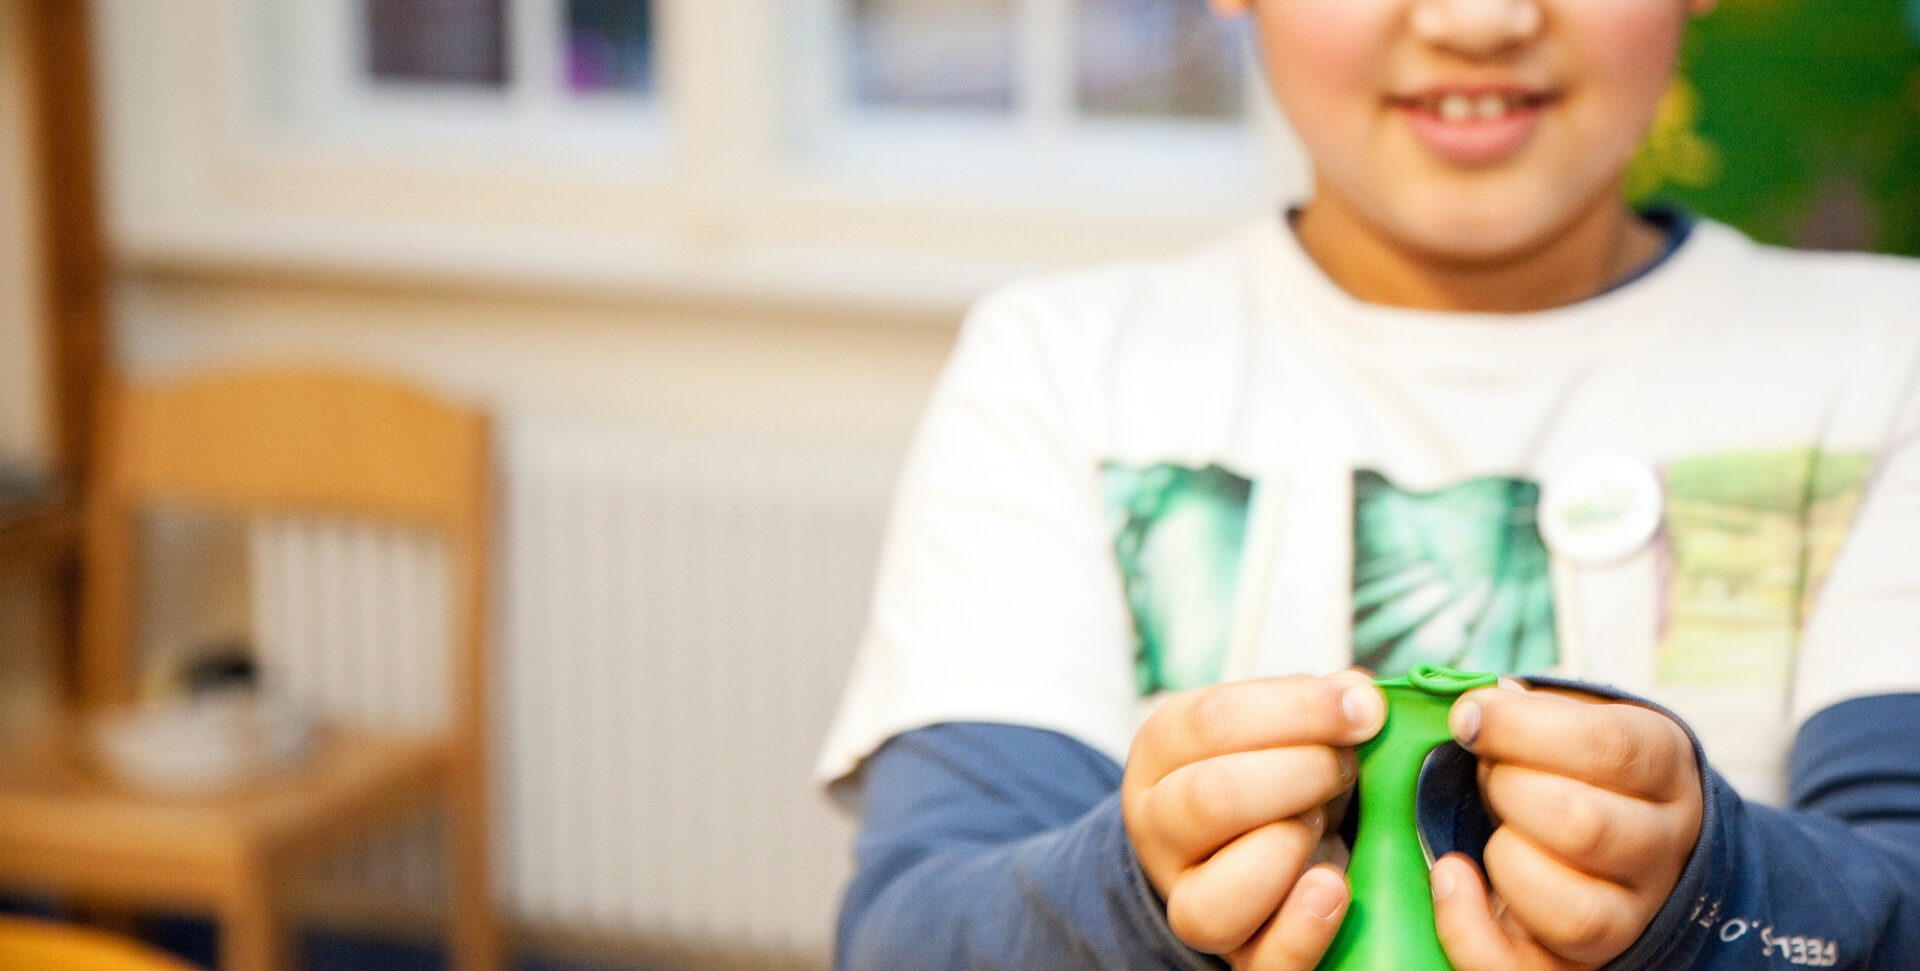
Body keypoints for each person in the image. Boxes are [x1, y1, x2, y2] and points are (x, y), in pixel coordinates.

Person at [815, 0, 1920, 968]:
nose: (1479, 19)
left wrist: (1708, 893)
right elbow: (914, 933)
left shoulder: (1890, 357)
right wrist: (1141, 892)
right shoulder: (1060, 365)